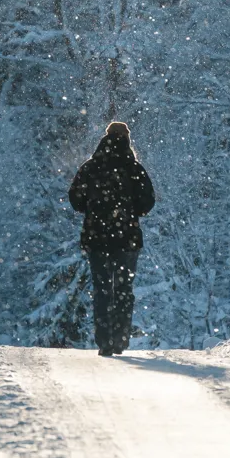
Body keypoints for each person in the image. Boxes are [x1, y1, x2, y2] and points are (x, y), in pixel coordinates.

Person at [68, 122, 155, 357]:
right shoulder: (134, 169)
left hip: (97, 238)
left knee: (102, 289)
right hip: (127, 239)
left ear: (104, 139)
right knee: (124, 288)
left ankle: (104, 340)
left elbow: (75, 199)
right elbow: (148, 202)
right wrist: (130, 210)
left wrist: (94, 208)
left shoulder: (91, 167)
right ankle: (120, 338)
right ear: (128, 140)